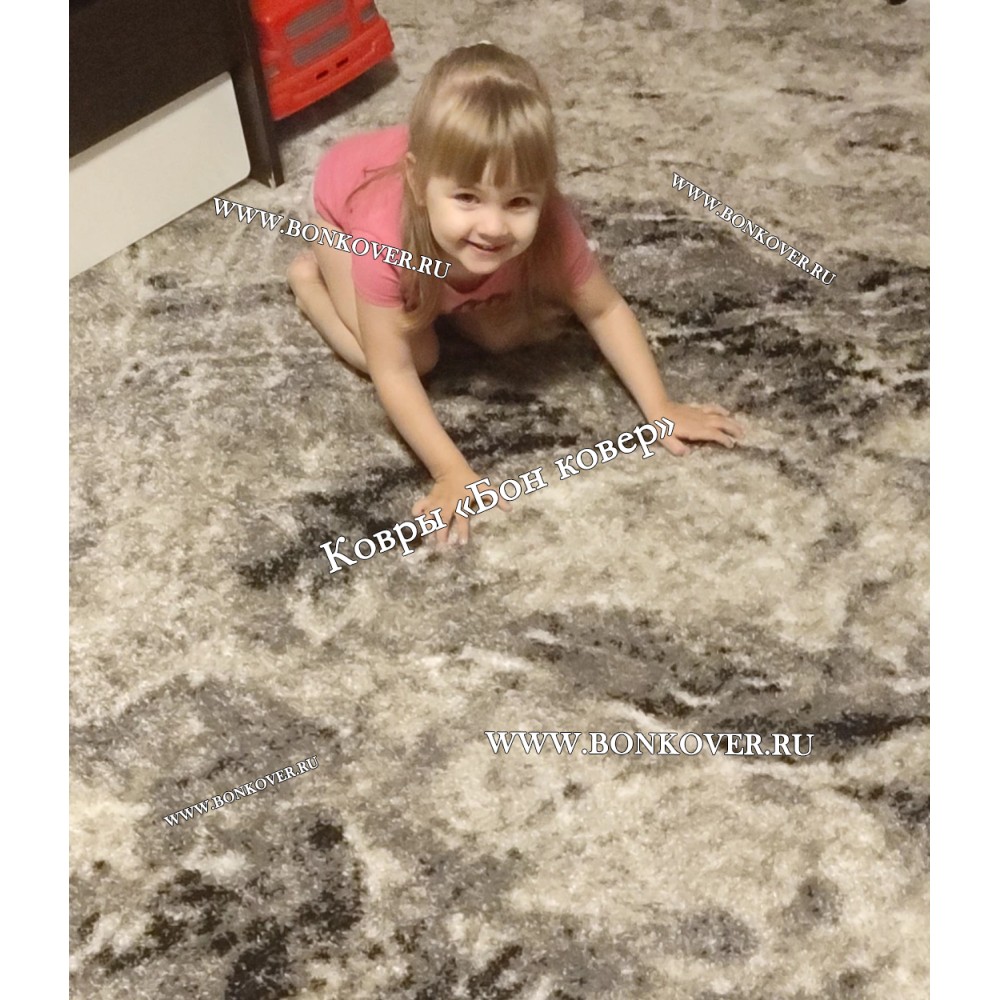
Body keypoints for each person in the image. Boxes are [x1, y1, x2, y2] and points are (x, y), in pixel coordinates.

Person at [288, 42, 743, 546]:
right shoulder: (382, 239)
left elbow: (604, 309)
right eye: (468, 197)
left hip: (432, 213)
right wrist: (451, 472)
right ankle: (310, 289)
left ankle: (458, 275)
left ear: (545, 191)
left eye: (519, 201)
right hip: (341, 215)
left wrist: (660, 408)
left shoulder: (551, 226)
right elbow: (392, 372)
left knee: (509, 332)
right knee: (418, 355)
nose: (493, 226)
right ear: (418, 182)